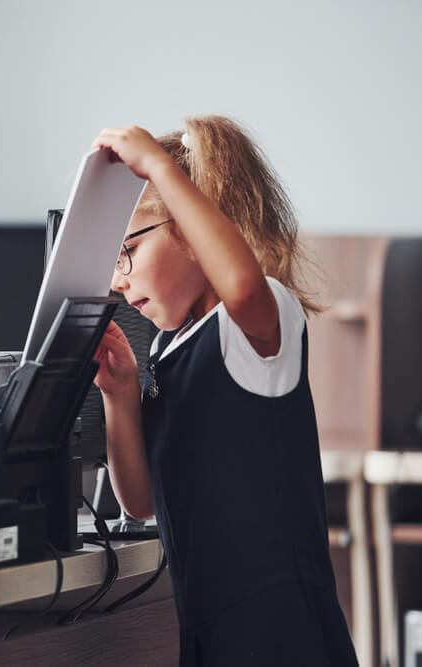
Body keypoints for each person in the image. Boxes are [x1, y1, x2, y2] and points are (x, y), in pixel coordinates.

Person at [91, 117, 359, 666]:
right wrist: (119, 395)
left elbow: (239, 285)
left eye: (128, 253)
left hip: (283, 632)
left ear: (190, 231)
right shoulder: (169, 350)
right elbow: (141, 503)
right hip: (213, 629)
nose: (118, 280)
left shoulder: (261, 319)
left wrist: (159, 168)